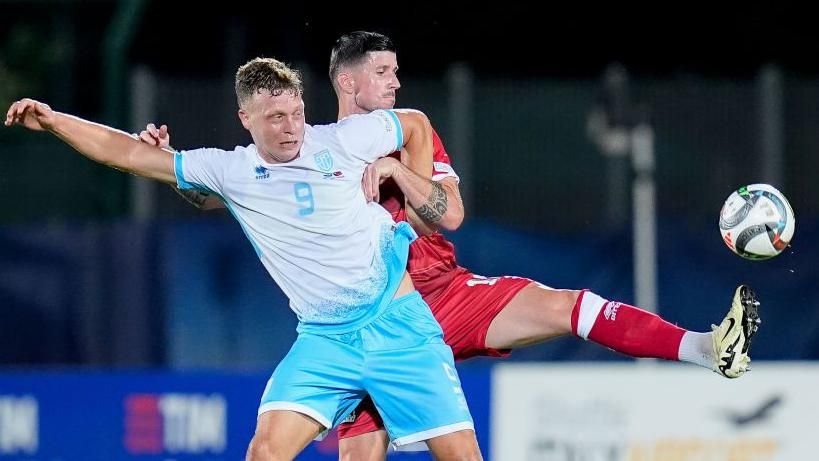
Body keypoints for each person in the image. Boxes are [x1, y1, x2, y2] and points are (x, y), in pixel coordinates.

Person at [139, 32, 762, 461]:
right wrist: (164, 159)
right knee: (359, 452)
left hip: (440, 294)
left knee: (568, 305)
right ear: (346, 80)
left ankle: (705, 349)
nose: (396, 80)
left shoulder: (407, 130)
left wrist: (399, 175)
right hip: (362, 325)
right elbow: (224, 192)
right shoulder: (304, 145)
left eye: (395, 71)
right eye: (383, 72)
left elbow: (452, 216)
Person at [5, 57, 484, 461]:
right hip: (326, 341)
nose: (290, 127)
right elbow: (125, 155)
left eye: (296, 113)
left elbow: (416, 123)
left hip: (398, 327)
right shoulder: (229, 170)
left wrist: (415, 205)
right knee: (265, 451)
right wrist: (53, 120)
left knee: (461, 455)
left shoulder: (345, 140)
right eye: (275, 117)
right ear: (245, 118)